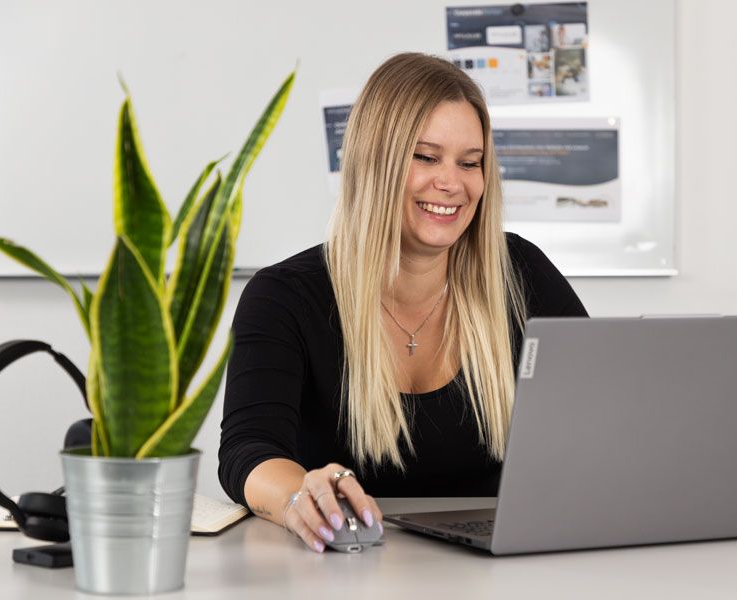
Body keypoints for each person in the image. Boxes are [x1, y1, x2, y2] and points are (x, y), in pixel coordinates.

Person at [218, 52, 587, 553]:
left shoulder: (521, 274)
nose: (452, 183)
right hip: (342, 568)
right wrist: (300, 496)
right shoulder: (284, 296)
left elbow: (598, 418)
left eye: (470, 162)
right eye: (426, 157)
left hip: (499, 569)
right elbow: (248, 450)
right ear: (377, 162)